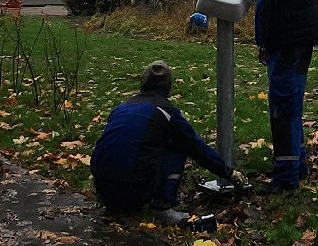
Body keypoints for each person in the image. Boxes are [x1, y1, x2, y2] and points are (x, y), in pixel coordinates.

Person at [216, 0, 318, 191]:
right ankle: (296, 167)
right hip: (283, 46)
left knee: (284, 110)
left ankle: (286, 178)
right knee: (289, 108)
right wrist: (266, 43)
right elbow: (276, 3)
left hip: (290, 48)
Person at [90, 61, 242, 222]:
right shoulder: (166, 112)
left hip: (102, 186)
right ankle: (162, 205)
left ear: (143, 83)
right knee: (179, 145)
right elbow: (197, 148)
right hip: (131, 189)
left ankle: (112, 201)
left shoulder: (123, 107)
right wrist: (228, 172)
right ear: (168, 87)